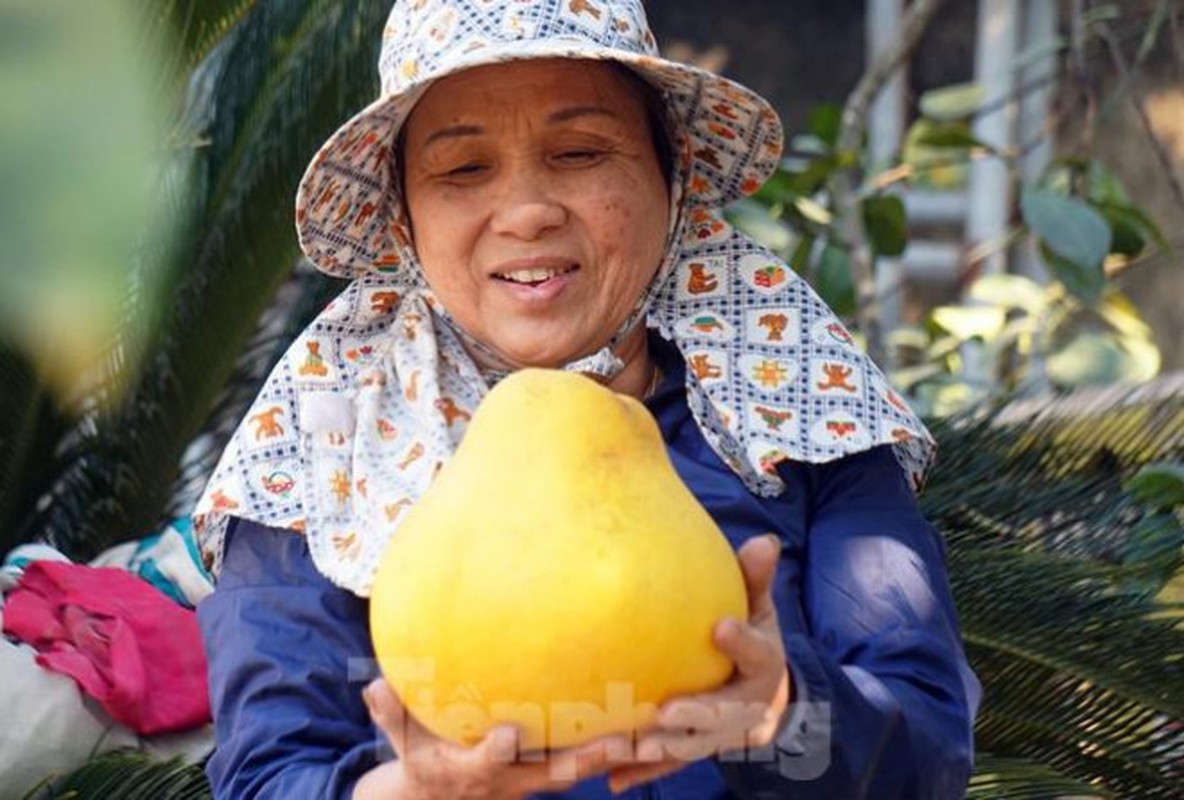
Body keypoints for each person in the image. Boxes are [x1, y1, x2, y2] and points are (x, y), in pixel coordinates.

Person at [193, 1, 982, 797]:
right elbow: (267, 771)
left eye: (578, 151)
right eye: (463, 168)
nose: (529, 211)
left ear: (668, 178)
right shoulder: (324, 436)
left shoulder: (798, 401)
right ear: (404, 215)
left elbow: (926, 750)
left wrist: (784, 710)